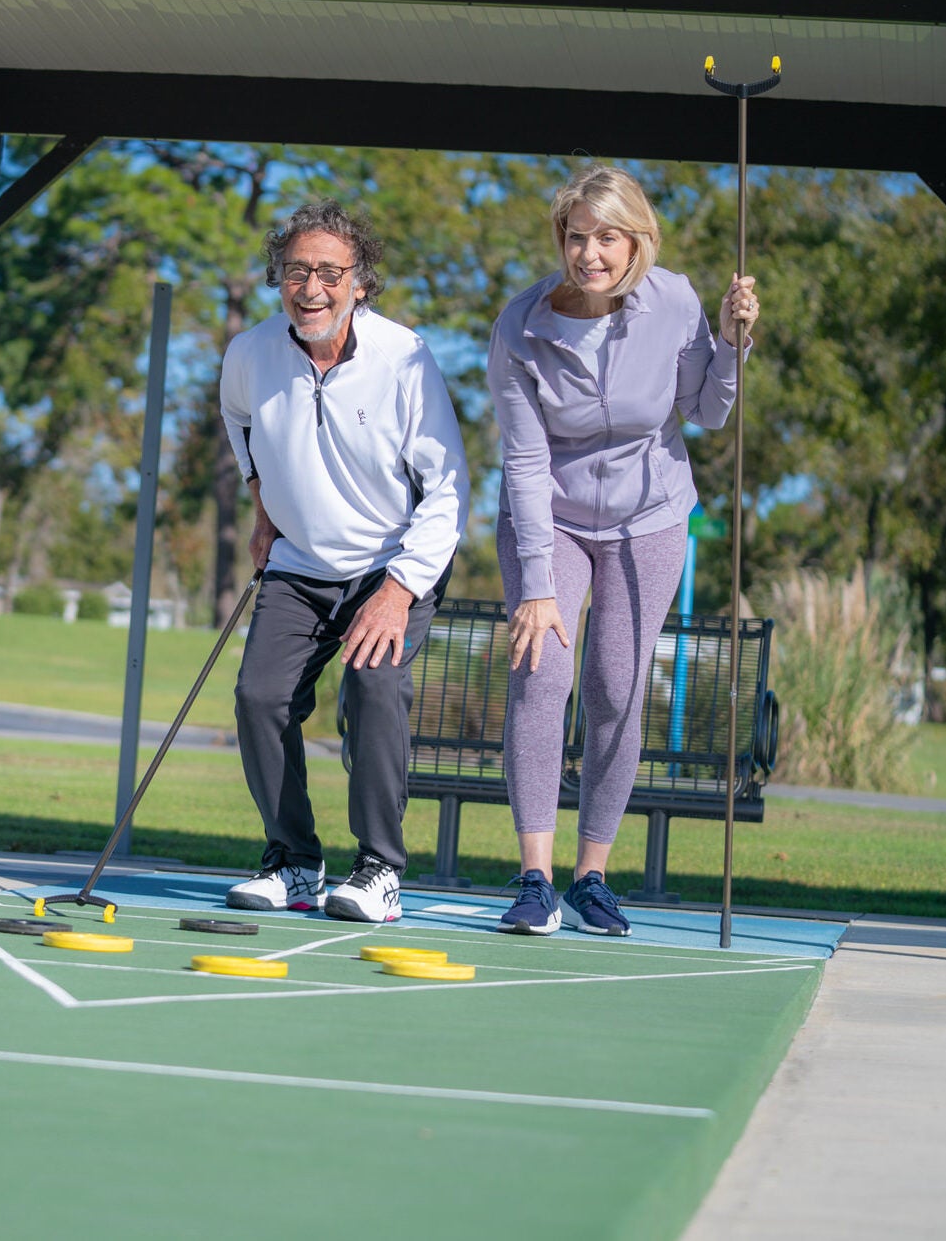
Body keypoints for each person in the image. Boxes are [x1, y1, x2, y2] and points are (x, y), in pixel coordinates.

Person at [486, 164, 759, 937]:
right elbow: (526, 464)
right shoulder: (521, 326)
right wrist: (537, 584)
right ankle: (535, 877)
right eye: (579, 237)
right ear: (561, 240)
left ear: (637, 240)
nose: (592, 254)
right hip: (554, 516)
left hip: (651, 516)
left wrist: (735, 344)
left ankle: (592, 876)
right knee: (543, 672)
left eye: (609, 238)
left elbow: (706, 412)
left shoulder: (673, 300)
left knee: (616, 684)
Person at [219, 200, 469, 923]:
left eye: (330, 272)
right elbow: (241, 423)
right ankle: (294, 861)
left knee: (373, 686)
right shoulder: (249, 354)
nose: (312, 287)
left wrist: (396, 591)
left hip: (392, 563)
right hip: (300, 564)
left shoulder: (406, 358)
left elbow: (449, 486)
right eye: (297, 270)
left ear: (361, 282)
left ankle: (379, 868)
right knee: (258, 699)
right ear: (279, 279)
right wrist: (263, 503)